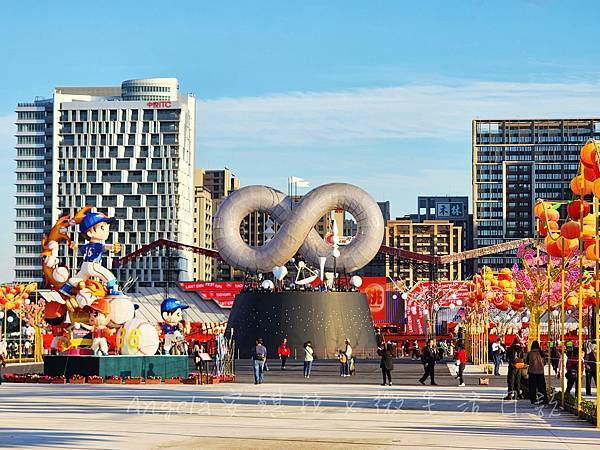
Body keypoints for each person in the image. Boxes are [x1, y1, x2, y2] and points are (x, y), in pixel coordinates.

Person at [525, 340, 548, 405]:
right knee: (541, 387)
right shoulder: (541, 353)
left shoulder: (530, 353)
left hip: (532, 372)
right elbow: (545, 363)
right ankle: (543, 399)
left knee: (532, 387)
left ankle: (533, 400)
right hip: (540, 372)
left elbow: (527, 362)